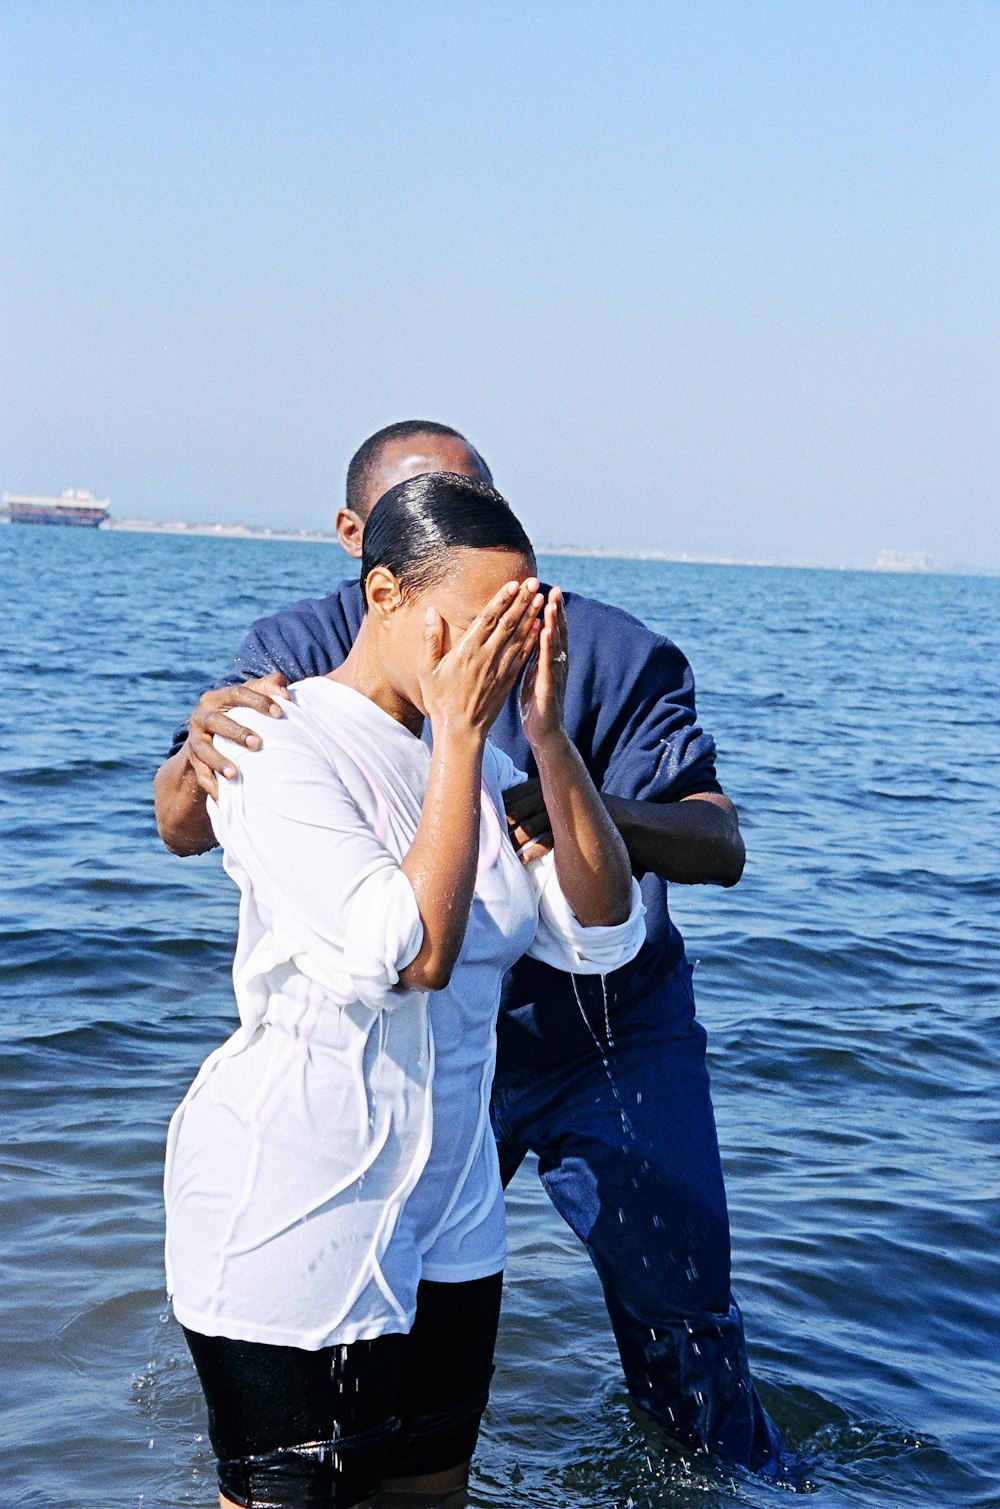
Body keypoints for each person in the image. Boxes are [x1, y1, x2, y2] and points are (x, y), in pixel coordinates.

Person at [155, 420, 790, 1477]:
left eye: (478, 494)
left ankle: (736, 1483)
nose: (487, 637)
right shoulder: (295, 669)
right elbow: (202, 826)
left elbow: (683, 868)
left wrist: (561, 774)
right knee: (317, 1417)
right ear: (372, 560)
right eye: (431, 507)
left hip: (607, 1042)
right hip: (408, 1060)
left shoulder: (593, 651)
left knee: (670, 1320)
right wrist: (197, 758)